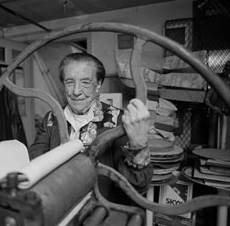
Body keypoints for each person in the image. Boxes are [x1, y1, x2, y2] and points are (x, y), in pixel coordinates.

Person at [28, 52, 153, 203]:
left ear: (98, 85)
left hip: (98, 209)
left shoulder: (118, 121)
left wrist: (138, 144)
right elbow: (34, 162)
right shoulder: (51, 118)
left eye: (85, 82)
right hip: (58, 204)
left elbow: (136, 186)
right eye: (69, 82)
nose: (76, 91)